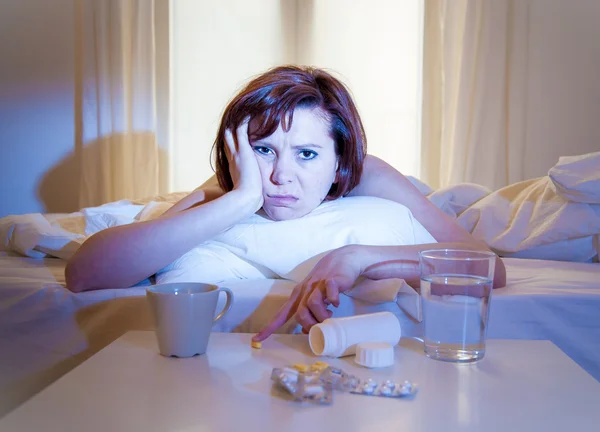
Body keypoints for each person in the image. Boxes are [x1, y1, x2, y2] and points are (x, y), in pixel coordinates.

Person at [65, 66, 505, 324]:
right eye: (264, 149)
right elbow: (84, 274)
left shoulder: (367, 175)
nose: (280, 175)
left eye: (307, 154)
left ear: (338, 159)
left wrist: (360, 257)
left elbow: (489, 267)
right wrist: (239, 200)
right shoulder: (231, 186)